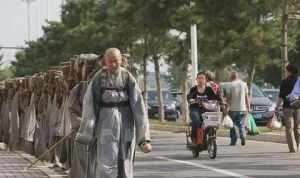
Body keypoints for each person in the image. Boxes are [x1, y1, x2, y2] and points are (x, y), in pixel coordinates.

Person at [75, 48, 151, 178]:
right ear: (105, 61)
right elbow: (89, 104)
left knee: (125, 160)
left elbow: (139, 107)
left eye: (116, 61)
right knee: (106, 161)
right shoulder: (98, 78)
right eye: (110, 62)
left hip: (126, 123)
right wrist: (87, 130)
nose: (113, 65)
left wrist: (144, 138)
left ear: (121, 60)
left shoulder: (128, 78)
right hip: (106, 124)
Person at [187, 71, 221, 144]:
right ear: (196, 79)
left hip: (206, 109)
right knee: (197, 120)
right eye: (199, 78)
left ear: (205, 80)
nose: (200, 80)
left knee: (211, 122)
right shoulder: (193, 89)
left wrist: (222, 101)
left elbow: (216, 97)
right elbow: (189, 97)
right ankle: (196, 138)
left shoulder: (209, 89)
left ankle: (207, 135)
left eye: (202, 78)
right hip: (195, 109)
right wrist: (191, 100)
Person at [276, 64, 299, 153]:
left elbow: (281, 96)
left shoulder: (285, 81)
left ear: (289, 71)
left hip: (287, 107)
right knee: (296, 128)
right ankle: (297, 145)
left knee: (289, 128)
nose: (285, 72)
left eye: (286, 70)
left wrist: (277, 106)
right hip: (297, 107)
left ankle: (293, 148)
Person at [226, 71, 250, 146]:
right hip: (242, 108)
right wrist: (248, 107)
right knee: (241, 124)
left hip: (232, 109)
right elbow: (246, 97)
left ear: (231, 77)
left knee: (232, 125)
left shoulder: (230, 85)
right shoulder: (244, 84)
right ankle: (242, 136)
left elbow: (229, 99)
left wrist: (227, 108)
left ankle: (233, 140)